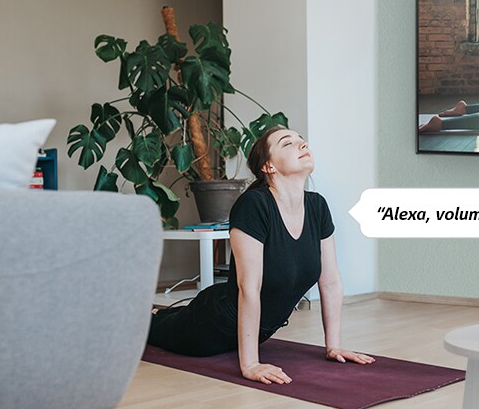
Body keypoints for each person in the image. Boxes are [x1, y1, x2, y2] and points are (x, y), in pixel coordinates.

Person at [148, 126, 375, 385]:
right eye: (287, 143)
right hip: (214, 326)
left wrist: (333, 347)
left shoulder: (317, 206)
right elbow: (249, 287)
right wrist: (250, 364)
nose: (302, 145)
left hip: (257, 330)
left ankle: (156, 312)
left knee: (163, 315)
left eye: (302, 141)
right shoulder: (254, 205)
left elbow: (330, 281)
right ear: (268, 166)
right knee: (145, 328)